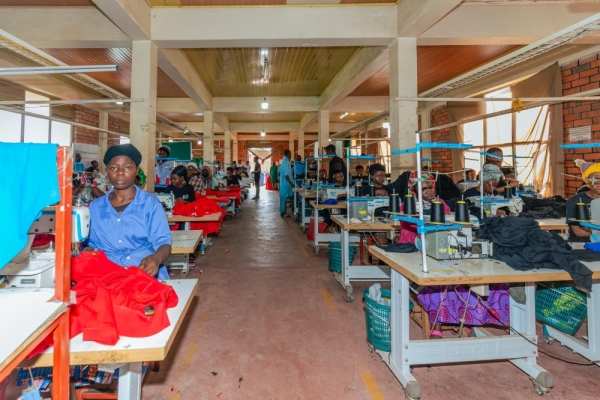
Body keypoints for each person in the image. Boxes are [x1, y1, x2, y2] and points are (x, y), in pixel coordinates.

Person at [566, 160, 600, 242]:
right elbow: (579, 232)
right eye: (595, 181)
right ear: (588, 181)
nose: (599, 184)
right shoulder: (575, 201)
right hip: (581, 244)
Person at [279, 149, 295, 217]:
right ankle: (283, 213)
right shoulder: (285, 162)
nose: (291, 155)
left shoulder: (285, 161)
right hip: (285, 184)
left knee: (286, 198)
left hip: (285, 183)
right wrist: (291, 183)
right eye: (290, 154)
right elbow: (286, 174)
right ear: (288, 154)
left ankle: (284, 211)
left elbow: (279, 171)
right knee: (284, 199)